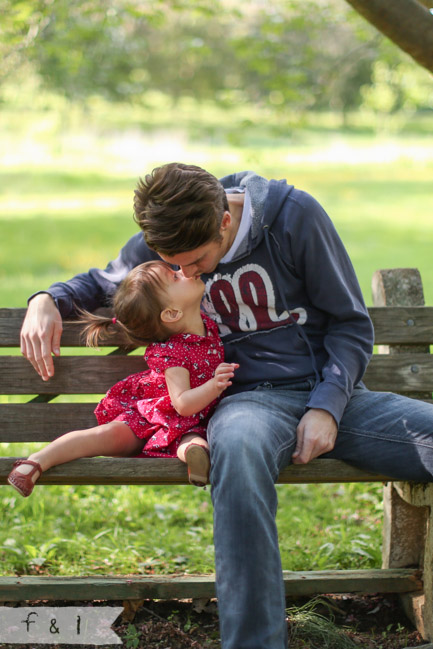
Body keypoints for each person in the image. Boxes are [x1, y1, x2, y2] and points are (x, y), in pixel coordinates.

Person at [20, 163, 433, 649]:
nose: (185, 274)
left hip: (333, 392)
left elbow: (349, 324)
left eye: (195, 262)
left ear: (224, 221)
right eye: (174, 265)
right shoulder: (172, 246)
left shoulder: (294, 218)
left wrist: (326, 407)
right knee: (235, 450)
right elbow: (103, 281)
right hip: (245, 405)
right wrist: (46, 299)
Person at [9, 259, 238, 497]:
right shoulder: (174, 352)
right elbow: (182, 404)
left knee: (193, 441)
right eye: (175, 276)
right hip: (152, 418)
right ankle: (36, 462)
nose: (184, 270)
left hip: (191, 425)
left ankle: (195, 457)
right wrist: (214, 386)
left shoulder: (208, 325)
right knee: (103, 437)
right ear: (171, 313)